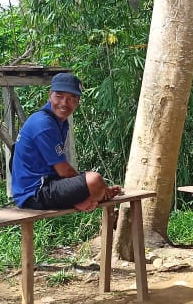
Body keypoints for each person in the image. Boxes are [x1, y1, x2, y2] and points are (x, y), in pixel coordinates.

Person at [11, 72, 121, 210]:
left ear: (77, 102)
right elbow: (64, 171)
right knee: (94, 180)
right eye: (59, 96)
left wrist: (95, 188)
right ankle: (88, 198)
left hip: (46, 185)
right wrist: (100, 188)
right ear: (50, 95)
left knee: (94, 182)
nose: (64, 103)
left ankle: (87, 198)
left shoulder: (59, 122)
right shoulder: (43, 123)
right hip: (34, 193)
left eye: (71, 98)